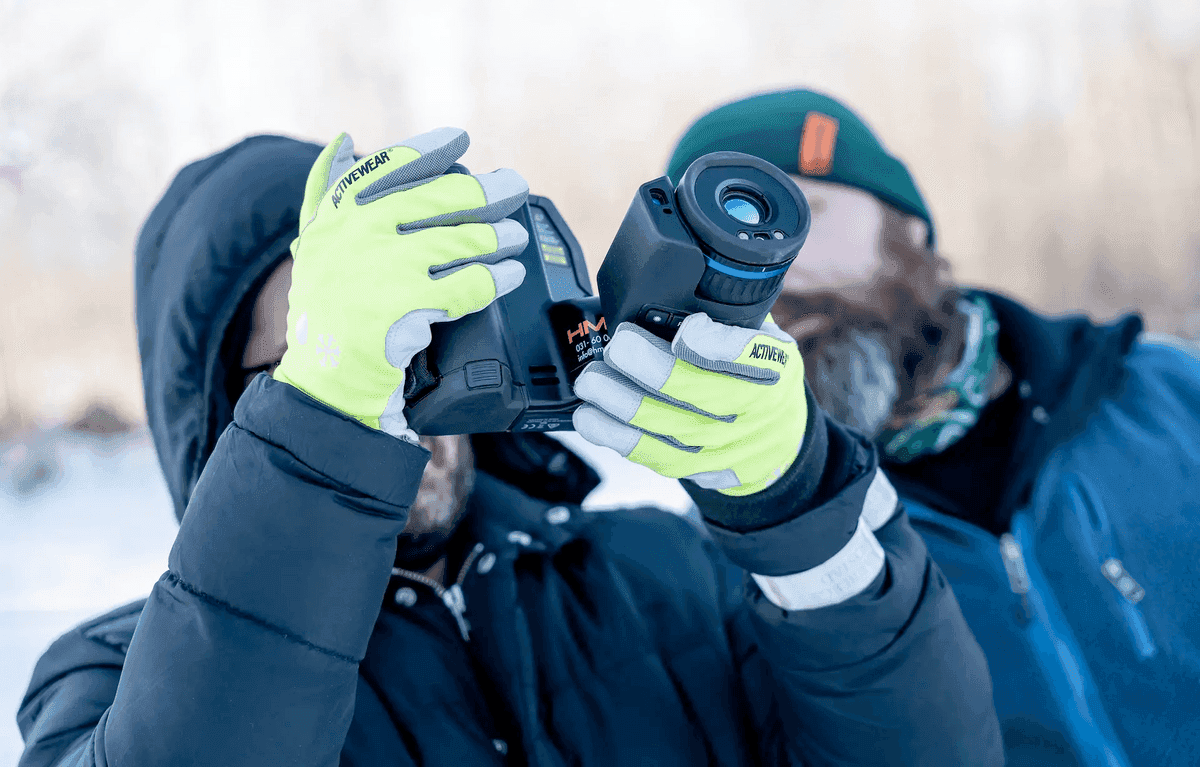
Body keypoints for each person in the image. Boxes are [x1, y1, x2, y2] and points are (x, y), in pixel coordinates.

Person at [17, 127, 1002, 767]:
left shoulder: (660, 575)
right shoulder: (112, 675)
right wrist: (324, 427)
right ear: (220, 420)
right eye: (331, 360)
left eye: (416, 336)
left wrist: (799, 505)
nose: (393, 396)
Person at [666, 89, 1200, 767]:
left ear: (908, 227)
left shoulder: (1164, 395)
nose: (770, 269)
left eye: (794, 212)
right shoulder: (739, 559)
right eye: (716, 239)